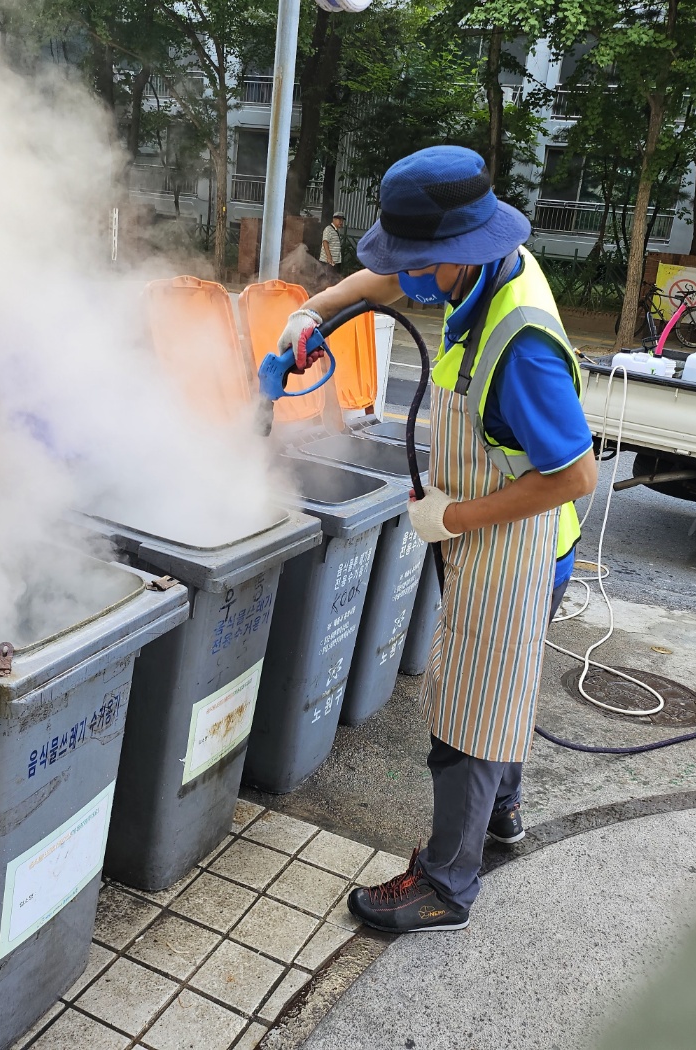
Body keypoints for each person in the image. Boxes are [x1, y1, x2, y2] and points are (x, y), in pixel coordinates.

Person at [276, 145, 598, 934]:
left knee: (470, 714)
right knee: (503, 691)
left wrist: (450, 520)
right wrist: (311, 312)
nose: (405, 281)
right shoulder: (486, 262)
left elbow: (574, 476)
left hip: (519, 543)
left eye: (419, 264)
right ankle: (506, 813)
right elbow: (382, 279)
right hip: (490, 527)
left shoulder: (521, 345)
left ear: (455, 254)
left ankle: (447, 885)